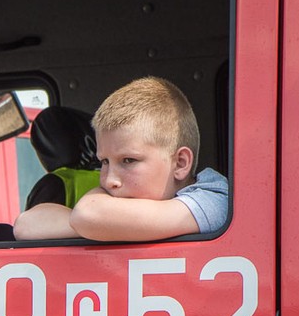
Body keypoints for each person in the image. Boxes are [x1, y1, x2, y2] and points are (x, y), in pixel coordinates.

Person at [13, 76, 228, 241]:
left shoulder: (214, 200)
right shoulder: (106, 212)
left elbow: (89, 214)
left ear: (180, 163)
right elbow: (26, 224)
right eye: (104, 162)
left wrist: (93, 223)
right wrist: (96, 224)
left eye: (128, 161)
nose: (108, 181)